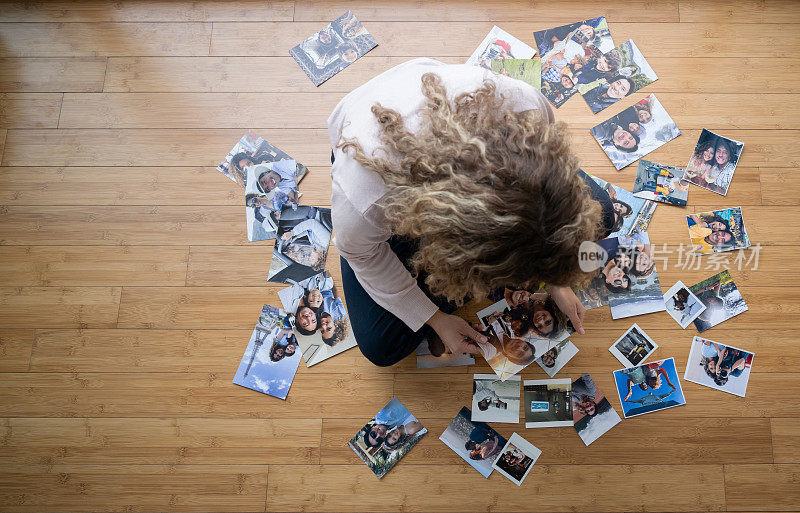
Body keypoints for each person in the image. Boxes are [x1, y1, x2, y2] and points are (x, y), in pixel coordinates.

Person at [330, 58, 617, 367]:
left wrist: (556, 277)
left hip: (485, 149)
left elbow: (549, 199)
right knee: (381, 346)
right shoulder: (364, 197)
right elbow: (363, 255)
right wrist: (436, 319)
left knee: (604, 218)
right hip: (388, 177)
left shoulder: (525, 106)